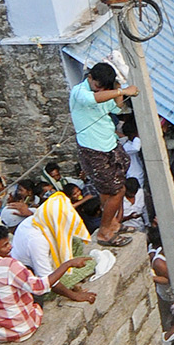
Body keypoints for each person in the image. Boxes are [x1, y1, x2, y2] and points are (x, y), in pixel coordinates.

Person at [0, 224, 92, 342]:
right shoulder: (10, 266)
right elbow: (40, 287)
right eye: (5, 245)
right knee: (35, 291)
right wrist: (68, 264)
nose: (10, 247)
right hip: (22, 329)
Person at [69, 62, 138, 247]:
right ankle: (104, 231)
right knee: (117, 190)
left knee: (112, 184)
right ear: (90, 78)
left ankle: (112, 223)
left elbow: (116, 108)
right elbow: (93, 99)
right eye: (97, 86)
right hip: (93, 149)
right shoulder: (79, 92)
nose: (99, 89)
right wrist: (121, 91)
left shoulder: (106, 91)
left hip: (109, 143)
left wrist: (118, 89)